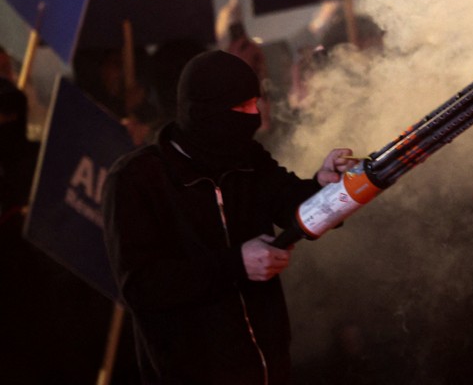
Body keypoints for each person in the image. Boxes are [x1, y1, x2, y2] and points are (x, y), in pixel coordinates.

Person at [102, 49, 353, 384]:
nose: (254, 115)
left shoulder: (247, 157)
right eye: (241, 107)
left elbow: (295, 209)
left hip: (267, 365)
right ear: (203, 111)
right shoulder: (137, 179)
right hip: (192, 371)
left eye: (256, 102)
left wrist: (327, 187)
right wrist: (236, 264)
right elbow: (141, 287)